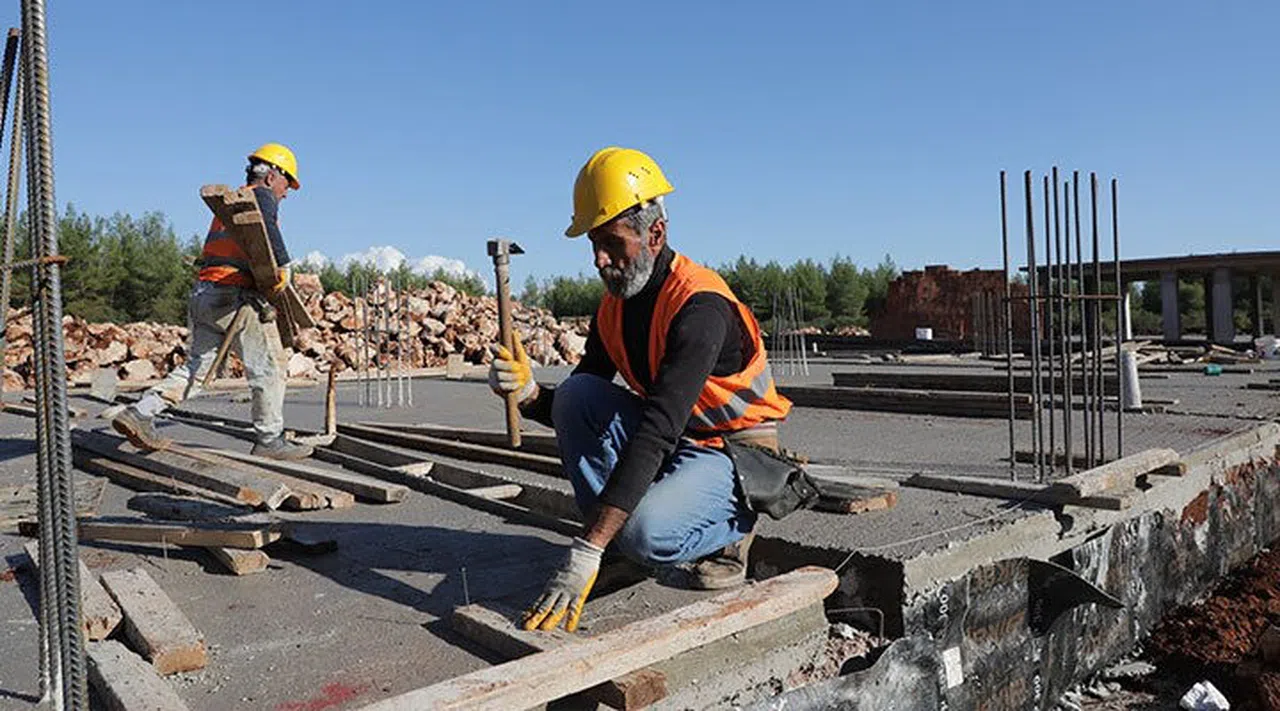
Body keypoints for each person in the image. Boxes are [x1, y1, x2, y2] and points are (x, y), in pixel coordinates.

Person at [488, 146, 792, 632]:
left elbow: (657, 429)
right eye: (594, 244)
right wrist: (528, 395)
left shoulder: (700, 307)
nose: (599, 260)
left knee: (646, 532)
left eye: (612, 243)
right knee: (579, 395)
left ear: (655, 234)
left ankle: (730, 532)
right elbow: (580, 404)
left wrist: (586, 548)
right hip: (681, 441)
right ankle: (619, 544)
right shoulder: (614, 307)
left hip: (736, 454)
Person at [111, 143, 313, 461]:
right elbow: (267, 229)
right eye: (287, 183)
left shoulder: (231, 205)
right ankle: (270, 440)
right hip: (235, 297)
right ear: (272, 175)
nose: (286, 193)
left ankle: (141, 412)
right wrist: (284, 267)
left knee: (198, 369)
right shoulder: (260, 197)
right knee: (271, 367)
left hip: (206, 293)